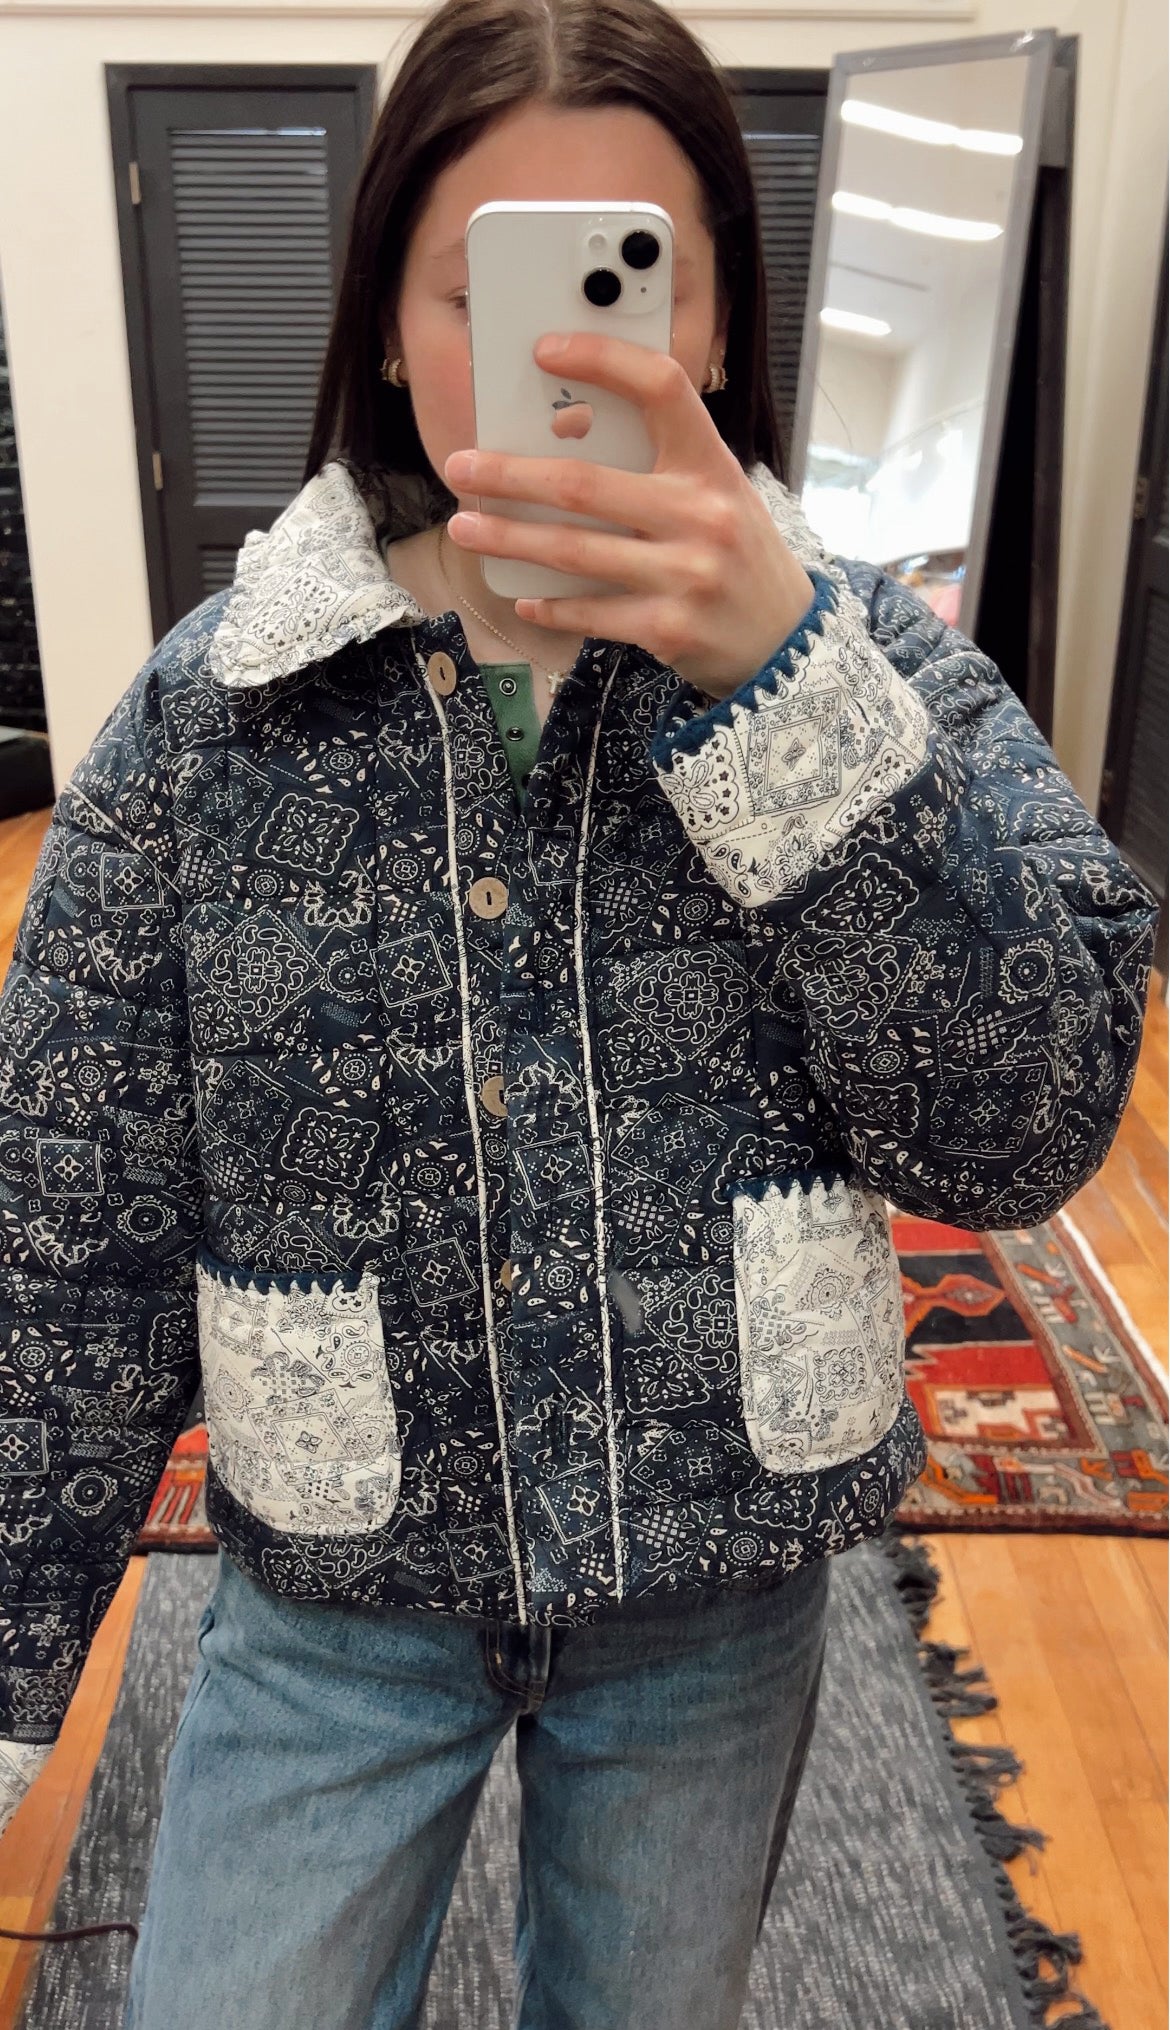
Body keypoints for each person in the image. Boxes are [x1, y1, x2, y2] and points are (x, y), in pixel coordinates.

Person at [0, 2, 1156, 2025]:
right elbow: (67, 1215)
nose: (559, 354)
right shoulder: (216, 719)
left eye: (628, 282)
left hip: (716, 1588)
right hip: (341, 1591)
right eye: (484, 290)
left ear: (714, 321)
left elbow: (1019, 1124)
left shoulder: (869, 667)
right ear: (386, 322)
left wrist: (776, 683)